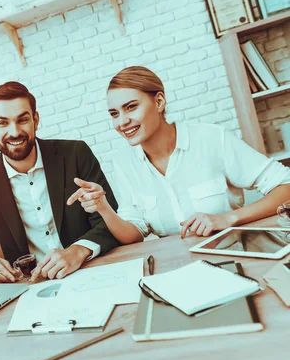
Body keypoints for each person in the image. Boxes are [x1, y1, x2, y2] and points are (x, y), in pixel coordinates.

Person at [67, 66, 290, 244]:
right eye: (114, 114)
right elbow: (133, 233)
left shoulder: (211, 138)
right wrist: (103, 207)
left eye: (131, 107)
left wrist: (228, 218)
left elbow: (285, 185)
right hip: (174, 264)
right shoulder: (122, 162)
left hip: (234, 252)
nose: (122, 122)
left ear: (159, 102)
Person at [0, 81, 120, 283]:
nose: (14, 132)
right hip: (32, 286)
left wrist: (79, 250)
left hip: (91, 269)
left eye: (22, 120)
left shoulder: (75, 154)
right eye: (2, 123)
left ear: (35, 120)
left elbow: (110, 220)